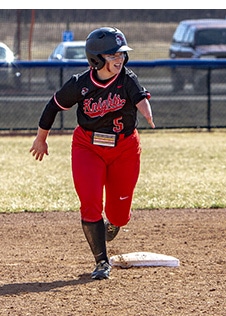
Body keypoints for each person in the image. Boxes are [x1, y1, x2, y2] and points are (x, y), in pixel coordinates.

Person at [29, 27, 155, 280]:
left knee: (119, 214)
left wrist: (147, 112)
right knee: (90, 204)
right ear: (96, 59)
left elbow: (140, 98)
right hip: (88, 147)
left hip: (125, 149)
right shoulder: (80, 84)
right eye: (112, 54)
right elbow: (53, 106)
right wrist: (41, 139)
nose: (118, 58)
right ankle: (101, 262)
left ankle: (115, 223)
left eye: (121, 53)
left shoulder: (127, 79)